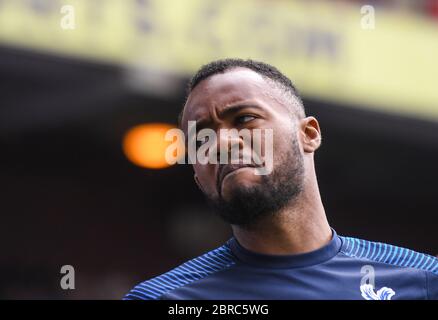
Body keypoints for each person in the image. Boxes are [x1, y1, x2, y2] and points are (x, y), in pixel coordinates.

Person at [124, 59, 437, 300]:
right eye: (200, 138)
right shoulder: (163, 297)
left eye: (244, 119)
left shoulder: (423, 281)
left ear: (308, 134)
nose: (220, 143)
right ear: (197, 175)